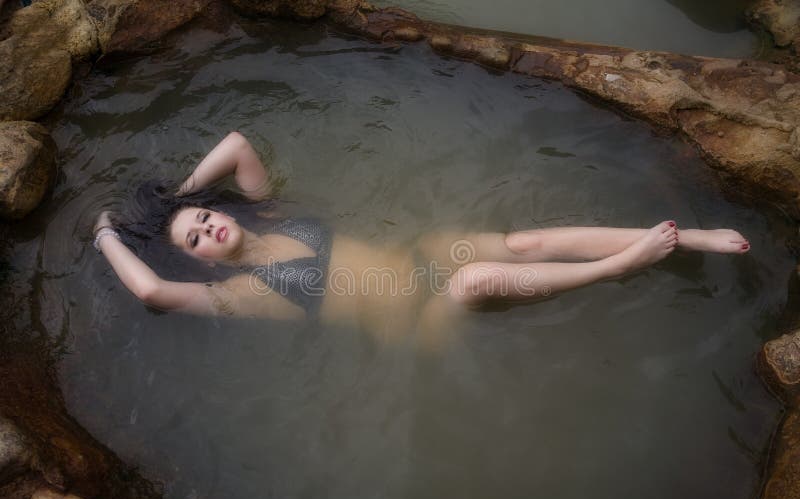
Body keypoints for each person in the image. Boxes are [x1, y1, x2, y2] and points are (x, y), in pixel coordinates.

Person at [93, 132, 751, 344]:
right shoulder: (240, 293)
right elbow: (151, 288)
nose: (210, 227)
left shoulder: (265, 213)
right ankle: (615, 267)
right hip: (417, 324)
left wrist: (177, 205)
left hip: (413, 260)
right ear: (196, 260)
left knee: (517, 243)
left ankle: (682, 235)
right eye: (197, 238)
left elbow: (237, 146)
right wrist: (107, 237)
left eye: (206, 217)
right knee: (472, 281)